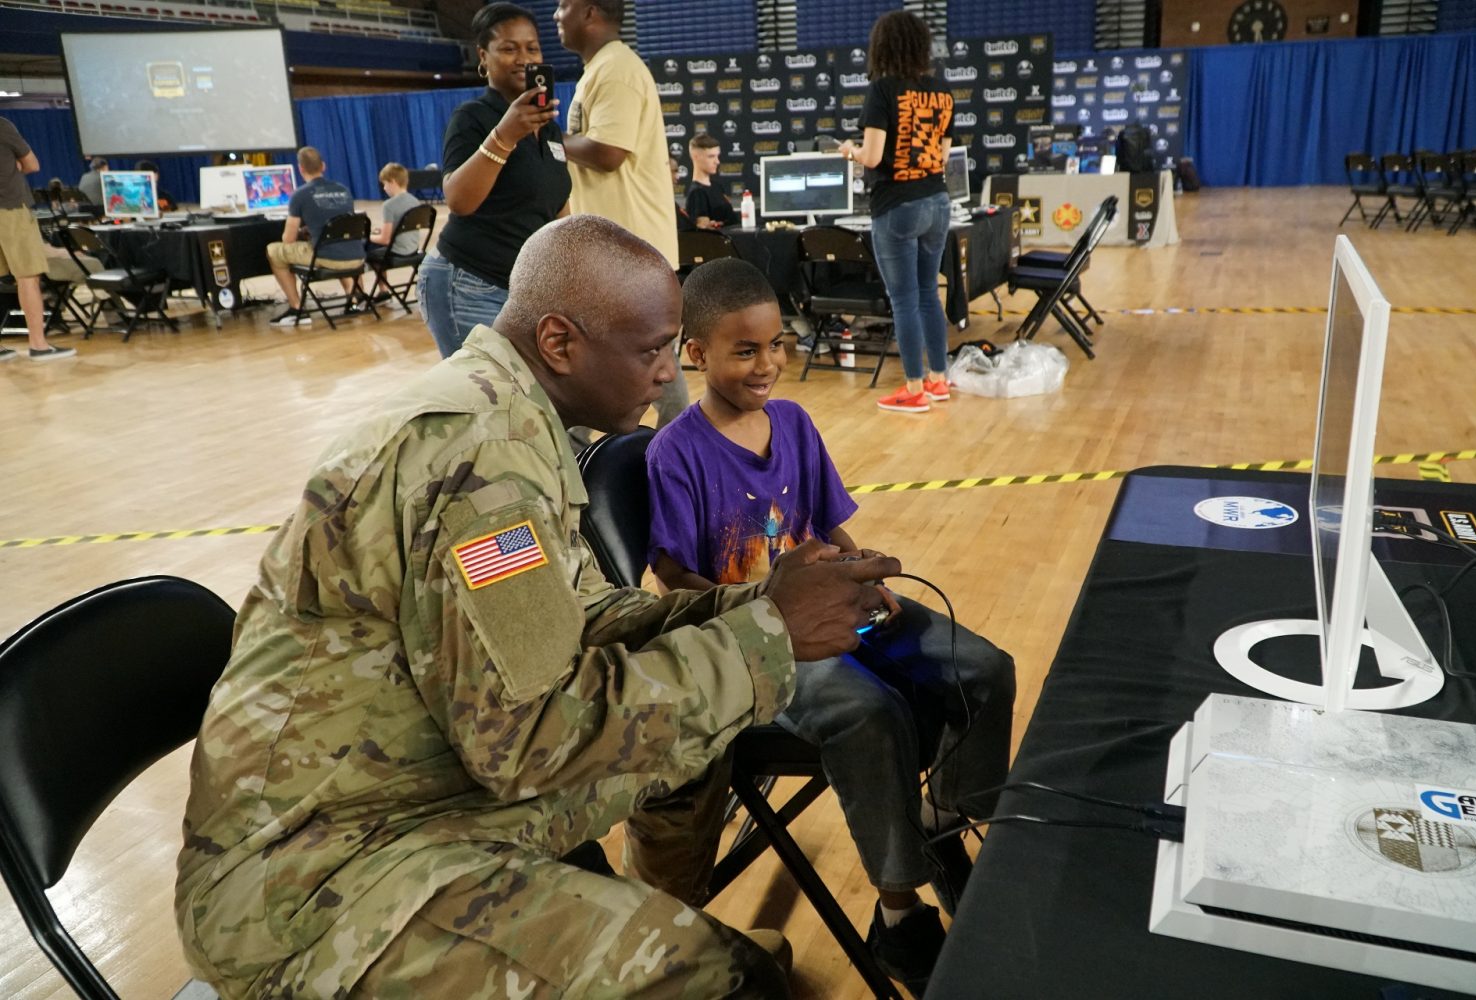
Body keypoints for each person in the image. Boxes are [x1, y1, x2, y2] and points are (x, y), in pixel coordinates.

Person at [175, 214, 899, 1000]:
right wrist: (768, 633)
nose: (667, 374)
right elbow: (531, 741)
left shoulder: (514, 419)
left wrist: (758, 601)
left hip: (423, 783)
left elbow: (584, 618)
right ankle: (677, 948)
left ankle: (661, 917)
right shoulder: (477, 462)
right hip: (318, 875)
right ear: (560, 343)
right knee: (716, 979)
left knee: (693, 740)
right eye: (653, 349)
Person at [645, 258, 1016, 995]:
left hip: (835, 605)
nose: (768, 364)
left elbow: (830, 526)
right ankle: (899, 915)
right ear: (697, 354)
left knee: (984, 667)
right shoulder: (674, 452)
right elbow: (676, 578)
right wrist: (764, 607)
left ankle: (940, 822)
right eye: (745, 351)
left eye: (777, 345)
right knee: (870, 713)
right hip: (762, 638)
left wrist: (862, 570)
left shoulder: (794, 421)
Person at [556, 0, 687, 427]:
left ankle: (683, 459)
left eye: (563, 4)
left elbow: (609, 152)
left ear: (591, 12)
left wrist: (547, 140)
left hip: (632, 252)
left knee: (655, 367)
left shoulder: (616, 69)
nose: (556, 14)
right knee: (637, 365)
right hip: (617, 253)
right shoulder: (600, 69)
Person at [416, 2, 568, 358]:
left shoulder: (549, 128)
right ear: (483, 56)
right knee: (482, 402)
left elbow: (558, 206)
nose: (522, 58)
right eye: (509, 48)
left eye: (532, 48)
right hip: (467, 282)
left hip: (521, 291)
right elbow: (458, 199)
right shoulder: (473, 117)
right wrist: (505, 135)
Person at [838, 10, 956, 415]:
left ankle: (912, 388)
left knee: (903, 300)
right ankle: (939, 380)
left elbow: (871, 157)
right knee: (928, 296)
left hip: (897, 206)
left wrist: (849, 151)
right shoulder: (942, 90)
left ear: (881, 47)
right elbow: (942, 154)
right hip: (938, 202)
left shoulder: (882, 90)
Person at [0, 116, 76, 361]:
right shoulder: (2, 125)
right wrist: (14, 166)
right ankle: (38, 344)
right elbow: (32, 164)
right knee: (28, 276)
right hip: (11, 208)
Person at [265, 146, 363, 327]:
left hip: (328, 258)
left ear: (301, 169)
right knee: (337, 242)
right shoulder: (343, 189)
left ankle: (297, 308)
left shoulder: (300, 195)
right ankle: (353, 301)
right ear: (323, 166)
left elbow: (288, 239)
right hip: (356, 257)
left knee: (274, 250)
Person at [363, 161, 422, 304]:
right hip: (413, 248)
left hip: (397, 251)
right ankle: (383, 290)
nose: (384, 188)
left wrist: (367, 236)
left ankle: (382, 290)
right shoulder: (415, 202)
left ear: (393, 182)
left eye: (384, 184)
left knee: (367, 247)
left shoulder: (388, 205)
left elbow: (385, 240)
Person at [685, 132, 737, 229]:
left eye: (717, 156)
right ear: (696, 157)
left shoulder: (717, 187)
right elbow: (705, 234)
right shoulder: (697, 193)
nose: (717, 162)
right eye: (711, 156)